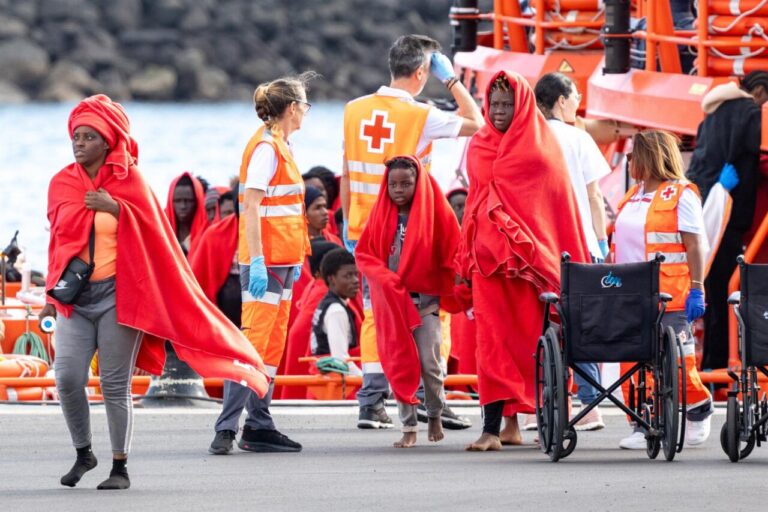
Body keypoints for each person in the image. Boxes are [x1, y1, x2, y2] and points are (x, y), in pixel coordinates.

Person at [42, 95, 269, 490]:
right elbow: (57, 244)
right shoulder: (61, 183)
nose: (78, 143)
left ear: (107, 142)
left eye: (88, 137)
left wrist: (116, 210)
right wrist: (50, 291)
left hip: (119, 296)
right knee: (66, 378)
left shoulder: (131, 183)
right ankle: (84, 452)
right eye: (75, 136)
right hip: (74, 299)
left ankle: (119, 466)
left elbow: (154, 236)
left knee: (114, 383)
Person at [341, 34, 483, 429]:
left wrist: (347, 222)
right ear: (422, 72)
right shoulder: (421, 115)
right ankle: (426, 397)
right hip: (406, 231)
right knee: (427, 312)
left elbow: (348, 170)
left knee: (376, 314)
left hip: (363, 229)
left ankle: (371, 400)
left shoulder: (354, 109)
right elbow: (478, 123)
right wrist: (452, 80)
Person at [459, 71, 590, 451]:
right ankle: (495, 428)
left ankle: (521, 423)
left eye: (506, 104)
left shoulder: (541, 148)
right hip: (489, 262)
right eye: (493, 105)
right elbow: (474, 202)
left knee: (532, 343)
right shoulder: (479, 144)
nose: (498, 112)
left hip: (531, 265)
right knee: (491, 343)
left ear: (523, 105)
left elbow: (554, 206)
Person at [208, 73, 313, 455]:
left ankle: (259, 423)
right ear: (290, 108)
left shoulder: (281, 146)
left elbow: (284, 209)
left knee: (270, 346)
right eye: (304, 104)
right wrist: (254, 260)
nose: (306, 111)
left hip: (282, 260)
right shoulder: (267, 148)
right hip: (266, 262)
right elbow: (249, 205)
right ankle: (227, 428)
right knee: (253, 345)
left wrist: (296, 256)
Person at [613, 130, 714, 449]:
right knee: (631, 362)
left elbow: (695, 244)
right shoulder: (631, 197)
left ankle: (698, 408)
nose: (629, 162)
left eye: (632, 156)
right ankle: (642, 423)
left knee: (679, 363)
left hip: (671, 293)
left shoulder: (682, 194)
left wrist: (697, 288)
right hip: (630, 294)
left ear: (650, 157)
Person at [356, 155, 461, 448]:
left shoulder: (434, 214)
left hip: (426, 303)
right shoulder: (379, 216)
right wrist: (386, 280)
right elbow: (365, 254)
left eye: (406, 183)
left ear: (418, 183)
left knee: (430, 364)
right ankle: (409, 426)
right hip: (393, 307)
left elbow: (454, 247)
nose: (398, 189)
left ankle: (436, 412)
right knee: (400, 364)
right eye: (393, 184)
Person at [535, 71, 611, 431]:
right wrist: (601, 242)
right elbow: (594, 195)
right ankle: (590, 404)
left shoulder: (524, 137)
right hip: (578, 244)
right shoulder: (578, 138)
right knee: (580, 323)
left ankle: (541, 405)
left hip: (536, 244)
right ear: (561, 100)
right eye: (576, 95)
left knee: (538, 325)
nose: (579, 101)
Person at [686, 71, 768, 370]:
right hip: (727, 213)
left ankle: (710, 361)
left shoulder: (713, 113)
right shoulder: (749, 111)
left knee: (711, 289)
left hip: (703, 205)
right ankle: (721, 362)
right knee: (724, 290)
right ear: (759, 92)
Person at [311, 247, 362, 376]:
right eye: (348, 276)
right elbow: (340, 362)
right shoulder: (336, 311)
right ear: (331, 279)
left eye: (356, 274)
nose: (356, 281)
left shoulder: (330, 304)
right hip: (332, 387)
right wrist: (368, 381)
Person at [165, 172, 209, 255]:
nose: (183, 206)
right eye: (177, 201)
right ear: (170, 202)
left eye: (188, 201)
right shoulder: (161, 231)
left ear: (197, 202)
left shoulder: (208, 233)